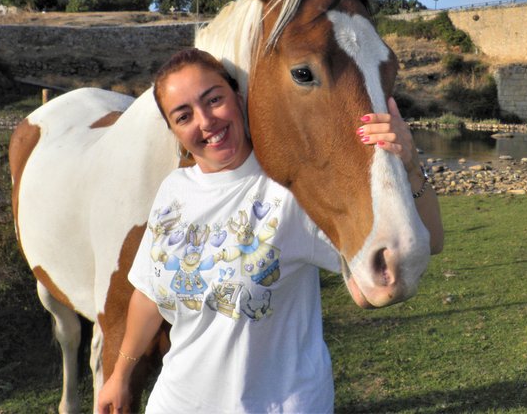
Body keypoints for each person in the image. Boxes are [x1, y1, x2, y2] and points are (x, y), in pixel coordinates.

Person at [97, 47, 443, 414]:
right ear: (174, 131)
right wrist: (119, 376)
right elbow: (149, 295)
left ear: (240, 99)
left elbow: (420, 247)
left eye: (213, 99)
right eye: (184, 116)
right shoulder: (174, 189)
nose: (205, 121)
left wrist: (409, 167)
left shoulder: (289, 189)